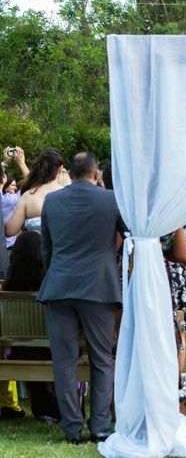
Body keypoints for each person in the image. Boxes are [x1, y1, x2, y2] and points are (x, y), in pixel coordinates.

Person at [39, 151, 125, 444]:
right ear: (96, 174)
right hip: (98, 287)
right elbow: (128, 236)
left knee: (64, 362)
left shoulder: (52, 201)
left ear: (70, 173)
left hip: (60, 286)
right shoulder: (111, 199)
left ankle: (72, 428)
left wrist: (56, 274)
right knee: (102, 359)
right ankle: (100, 426)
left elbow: (46, 249)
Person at [2, 231, 59, 422]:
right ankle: (51, 407)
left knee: (25, 350)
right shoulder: (52, 288)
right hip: (54, 351)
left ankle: (40, 407)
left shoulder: (7, 291)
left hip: (18, 352)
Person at [6, 148, 67, 237]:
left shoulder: (28, 196)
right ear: (61, 168)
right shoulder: (68, 194)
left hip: (35, 249)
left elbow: (10, 230)